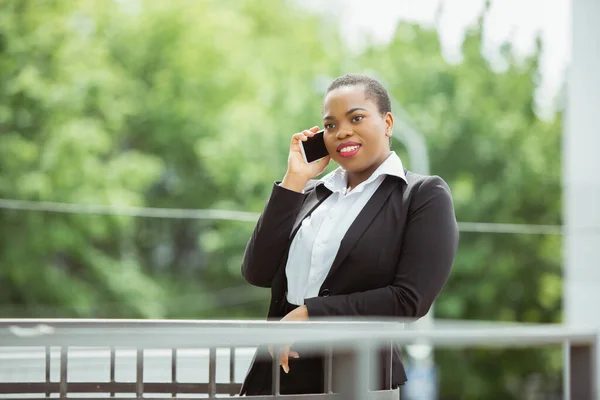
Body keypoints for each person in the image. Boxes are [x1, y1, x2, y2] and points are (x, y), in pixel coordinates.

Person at [239, 74, 459, 396]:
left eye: (356, 118)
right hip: (277, 375)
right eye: (329, 125)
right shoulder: (311, 193)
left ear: (387, 122)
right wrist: (293, 182)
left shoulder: (421, 195)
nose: (341, 132)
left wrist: (311, 312)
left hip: (356, 376)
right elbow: (256, 271)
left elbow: (409, 299)